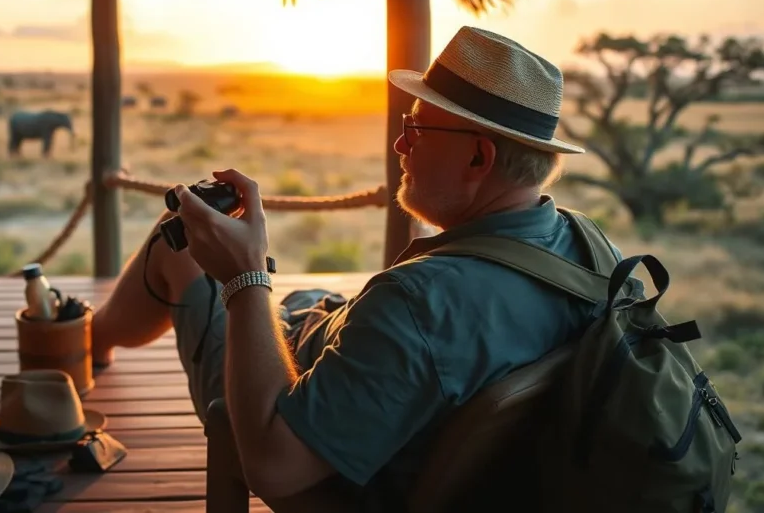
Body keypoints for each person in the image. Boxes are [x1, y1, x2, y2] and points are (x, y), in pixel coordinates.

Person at [89, 26, 621, 509]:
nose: (400, 145)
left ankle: (89, 342)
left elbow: (273, 468)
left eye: (416, 129)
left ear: (479, 159)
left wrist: (245, 279)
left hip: (317, 440)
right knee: (307, 301)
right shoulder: (594, 251)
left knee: (177, 244)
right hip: (405, 416)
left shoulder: (420, 303)